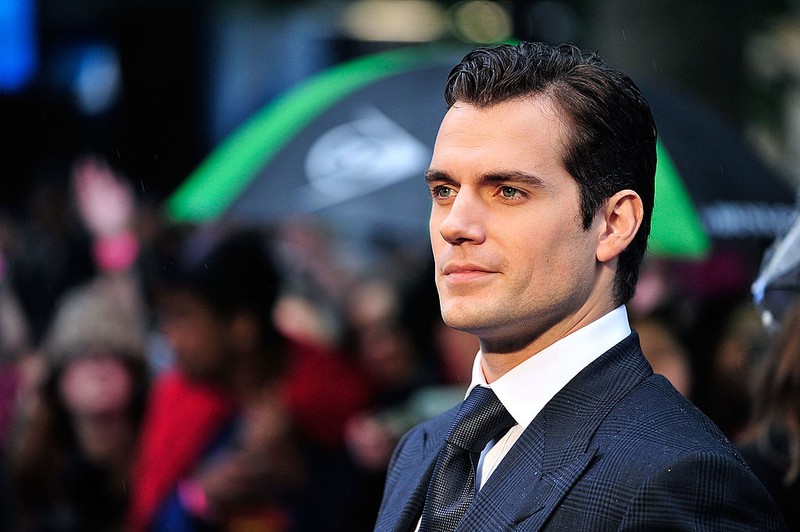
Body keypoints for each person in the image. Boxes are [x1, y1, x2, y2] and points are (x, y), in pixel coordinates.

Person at [374, 41, 786, 531]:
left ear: (613, 223)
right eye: (444, 191)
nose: (454, 224)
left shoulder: (678, 478)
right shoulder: (421, 450)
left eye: (508, 191)